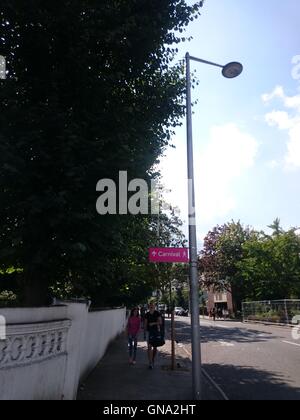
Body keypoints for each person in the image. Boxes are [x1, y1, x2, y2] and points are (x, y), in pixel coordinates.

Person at [144, 301, 163, 370]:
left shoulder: (157, 313)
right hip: (149, 332)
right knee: (149, 347)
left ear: (155, 306)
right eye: (150, 305)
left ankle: (153, 359)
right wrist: (145, 333)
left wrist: (153, 323)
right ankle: (150, 362)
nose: (152, 306)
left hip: (156, 332)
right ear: (149, 306)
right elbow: (145, 324)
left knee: (155, 348)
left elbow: (160, 322)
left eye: (153, 305)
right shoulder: (147, 314)